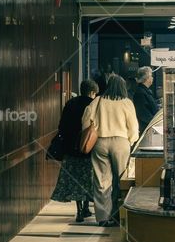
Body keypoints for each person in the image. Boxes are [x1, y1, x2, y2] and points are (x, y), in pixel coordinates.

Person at [81, 74, 139, 226]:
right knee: (121, 181)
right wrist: (131, 141)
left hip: (100, 142)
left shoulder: (98, 100)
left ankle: (102, 218)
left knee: (102, 181)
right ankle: (120, 215)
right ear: (123, 87)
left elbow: (86, 120)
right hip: (121, 142)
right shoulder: (126, 102)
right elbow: (133, 127)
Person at [50, 80, 98, 222]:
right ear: (92, 92)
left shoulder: (70, 103)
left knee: (75, 179)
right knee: (88, 179)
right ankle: (85, 208)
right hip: (88, 148)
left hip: (71, 149)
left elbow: (62, 125)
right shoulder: (93, 104)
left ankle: (79, 211)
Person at [130, 66, 158, 135]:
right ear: (146, 78)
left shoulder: (145, 91)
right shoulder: (140, 92)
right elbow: (143, 113)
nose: (152, 78)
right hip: (145, 129)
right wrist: (154, 123)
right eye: (151, 76)